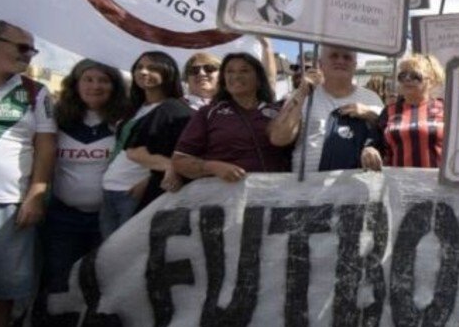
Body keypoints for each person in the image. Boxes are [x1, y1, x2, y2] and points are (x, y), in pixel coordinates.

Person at [0, 21, 55, 327]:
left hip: (10, 202)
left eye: (31, 50)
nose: (27, 55)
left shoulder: (35, 92)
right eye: (21, 47)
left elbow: (46, 147)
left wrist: (36, 194)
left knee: (4, 286)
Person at [41, 59, 129, 292]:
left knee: (103, 284)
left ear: (115, 86)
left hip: (109, 218)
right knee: (59, 282)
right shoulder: (56, 119)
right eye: (88, 79)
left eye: (103, 80)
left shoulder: (125, 122)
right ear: (76, 84)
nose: (95, 86)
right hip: (63, 219)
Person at [100, 51, 192, 237]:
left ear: (168, 72)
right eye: (139, 67)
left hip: (133, 195)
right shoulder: (135, 107)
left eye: (152, 68)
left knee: (128, 256)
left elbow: (139, 152)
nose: (143, 72)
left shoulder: (174, 110)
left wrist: (156, 177)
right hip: (110, 191)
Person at [172, 53, 291, 183]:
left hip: (274, 193)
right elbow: (180, 160)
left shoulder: (280, 111)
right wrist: (213, 167)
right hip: (224, 196)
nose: (236, 76)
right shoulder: (208, 113)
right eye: (229, 71)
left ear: (259, 79)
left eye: (244, 70)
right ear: (223, 80)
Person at [269, 45, 383, 173]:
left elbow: (387, 140)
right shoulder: (301, 94)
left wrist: (371, 115)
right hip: (307, 188)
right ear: (320, 64)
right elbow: (278, 138)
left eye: (347, 57)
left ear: (355, 65)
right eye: (334, 55)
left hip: (356, 187)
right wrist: (301, 93)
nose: (340, 61)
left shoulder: (372, 98)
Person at [363, 55, 445, 169]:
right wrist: (369, 150)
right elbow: (376, 142)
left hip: (437, 184)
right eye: (403, 76)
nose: (407, 79)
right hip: (398, 183)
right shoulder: (389, 111)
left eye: (415, 76)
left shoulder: (445, 109)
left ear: (431, 81)